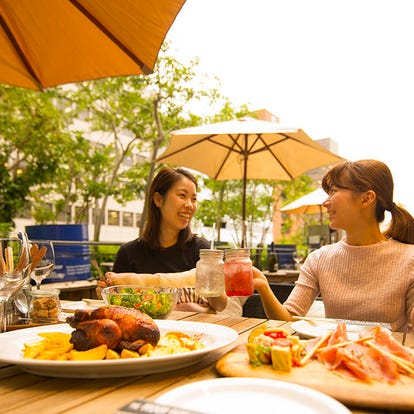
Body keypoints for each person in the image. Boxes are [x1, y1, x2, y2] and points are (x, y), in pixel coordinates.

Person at [253, 159, 414, 331]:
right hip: (336, 356)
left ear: (366, 199)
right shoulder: (319, 259)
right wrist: (263, 286)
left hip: (390, 357)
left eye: (334, 191)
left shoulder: (409, 259)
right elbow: (288, 318)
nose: (325, 202)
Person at [98, 167, 241, 315]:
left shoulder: (201, 250)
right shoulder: (129, 253)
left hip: (196, 333)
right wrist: (106, 292)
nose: (190, 205)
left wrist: (211, 280)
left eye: (193, 199)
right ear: (158, 199)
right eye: (182, 195)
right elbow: (120, 309)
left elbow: (220, 306)